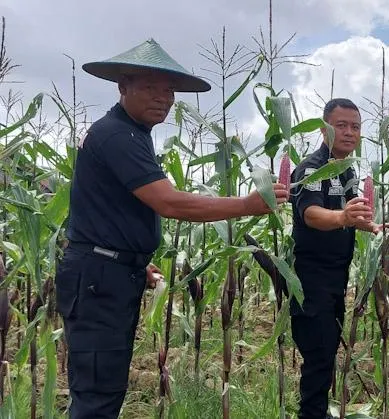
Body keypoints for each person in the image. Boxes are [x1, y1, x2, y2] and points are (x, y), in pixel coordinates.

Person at [56, 39, 288, 418]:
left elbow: (105, 208)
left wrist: (131, 260)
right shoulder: (117, 135)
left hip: (109, 273)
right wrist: (246, 205)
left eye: (169, 91)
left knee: (104, 387)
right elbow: (169, 202)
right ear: (123, 86)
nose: (163, 98)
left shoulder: (132, 134)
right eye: (151, 87)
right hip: (98, 280)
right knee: (97, 395)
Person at [288, 98, 384, 419]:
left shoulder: (348, 172)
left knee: (326, 353)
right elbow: (311, 214)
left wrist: (371, 226)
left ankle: (318, 412)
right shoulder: (312, 169)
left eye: (355, 127)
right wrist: (344, 217)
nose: (349, 132)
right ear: (323, 128)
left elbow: (350, 215)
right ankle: (312, 414)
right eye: (341, 125)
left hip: (335, 280)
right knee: (318, 354)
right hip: (311, 280)